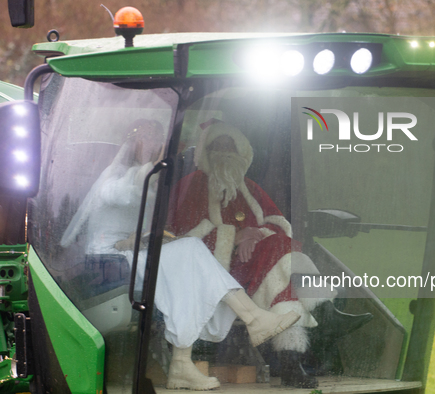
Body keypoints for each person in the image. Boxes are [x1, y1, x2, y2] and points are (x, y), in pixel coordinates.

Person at [60, 119, 300, 391]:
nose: (153, 145)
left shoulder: (153, 184)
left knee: (190, 265)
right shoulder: (116, 178)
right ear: (132, 142)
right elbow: (122, 194)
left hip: (133, 255)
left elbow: (152, 224)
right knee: (191, 251)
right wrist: (148, 173)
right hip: (106, 262)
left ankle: (182, 365)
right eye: (146, 138)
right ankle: (252, 320)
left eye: (157, 139)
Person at [168, 120, 373, 388]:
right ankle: (321, 319)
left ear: (242, 153)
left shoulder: (250, 187)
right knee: (279, 254)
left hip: (253, 267)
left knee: (280, 264)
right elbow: (180, 240)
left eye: (230, 148)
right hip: (214, 271)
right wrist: (234, 236)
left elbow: (278, 223)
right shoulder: (191, 185)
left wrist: (255, 233)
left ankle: (292, 364)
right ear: (205, 152)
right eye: (217, 147)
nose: (224, 153)